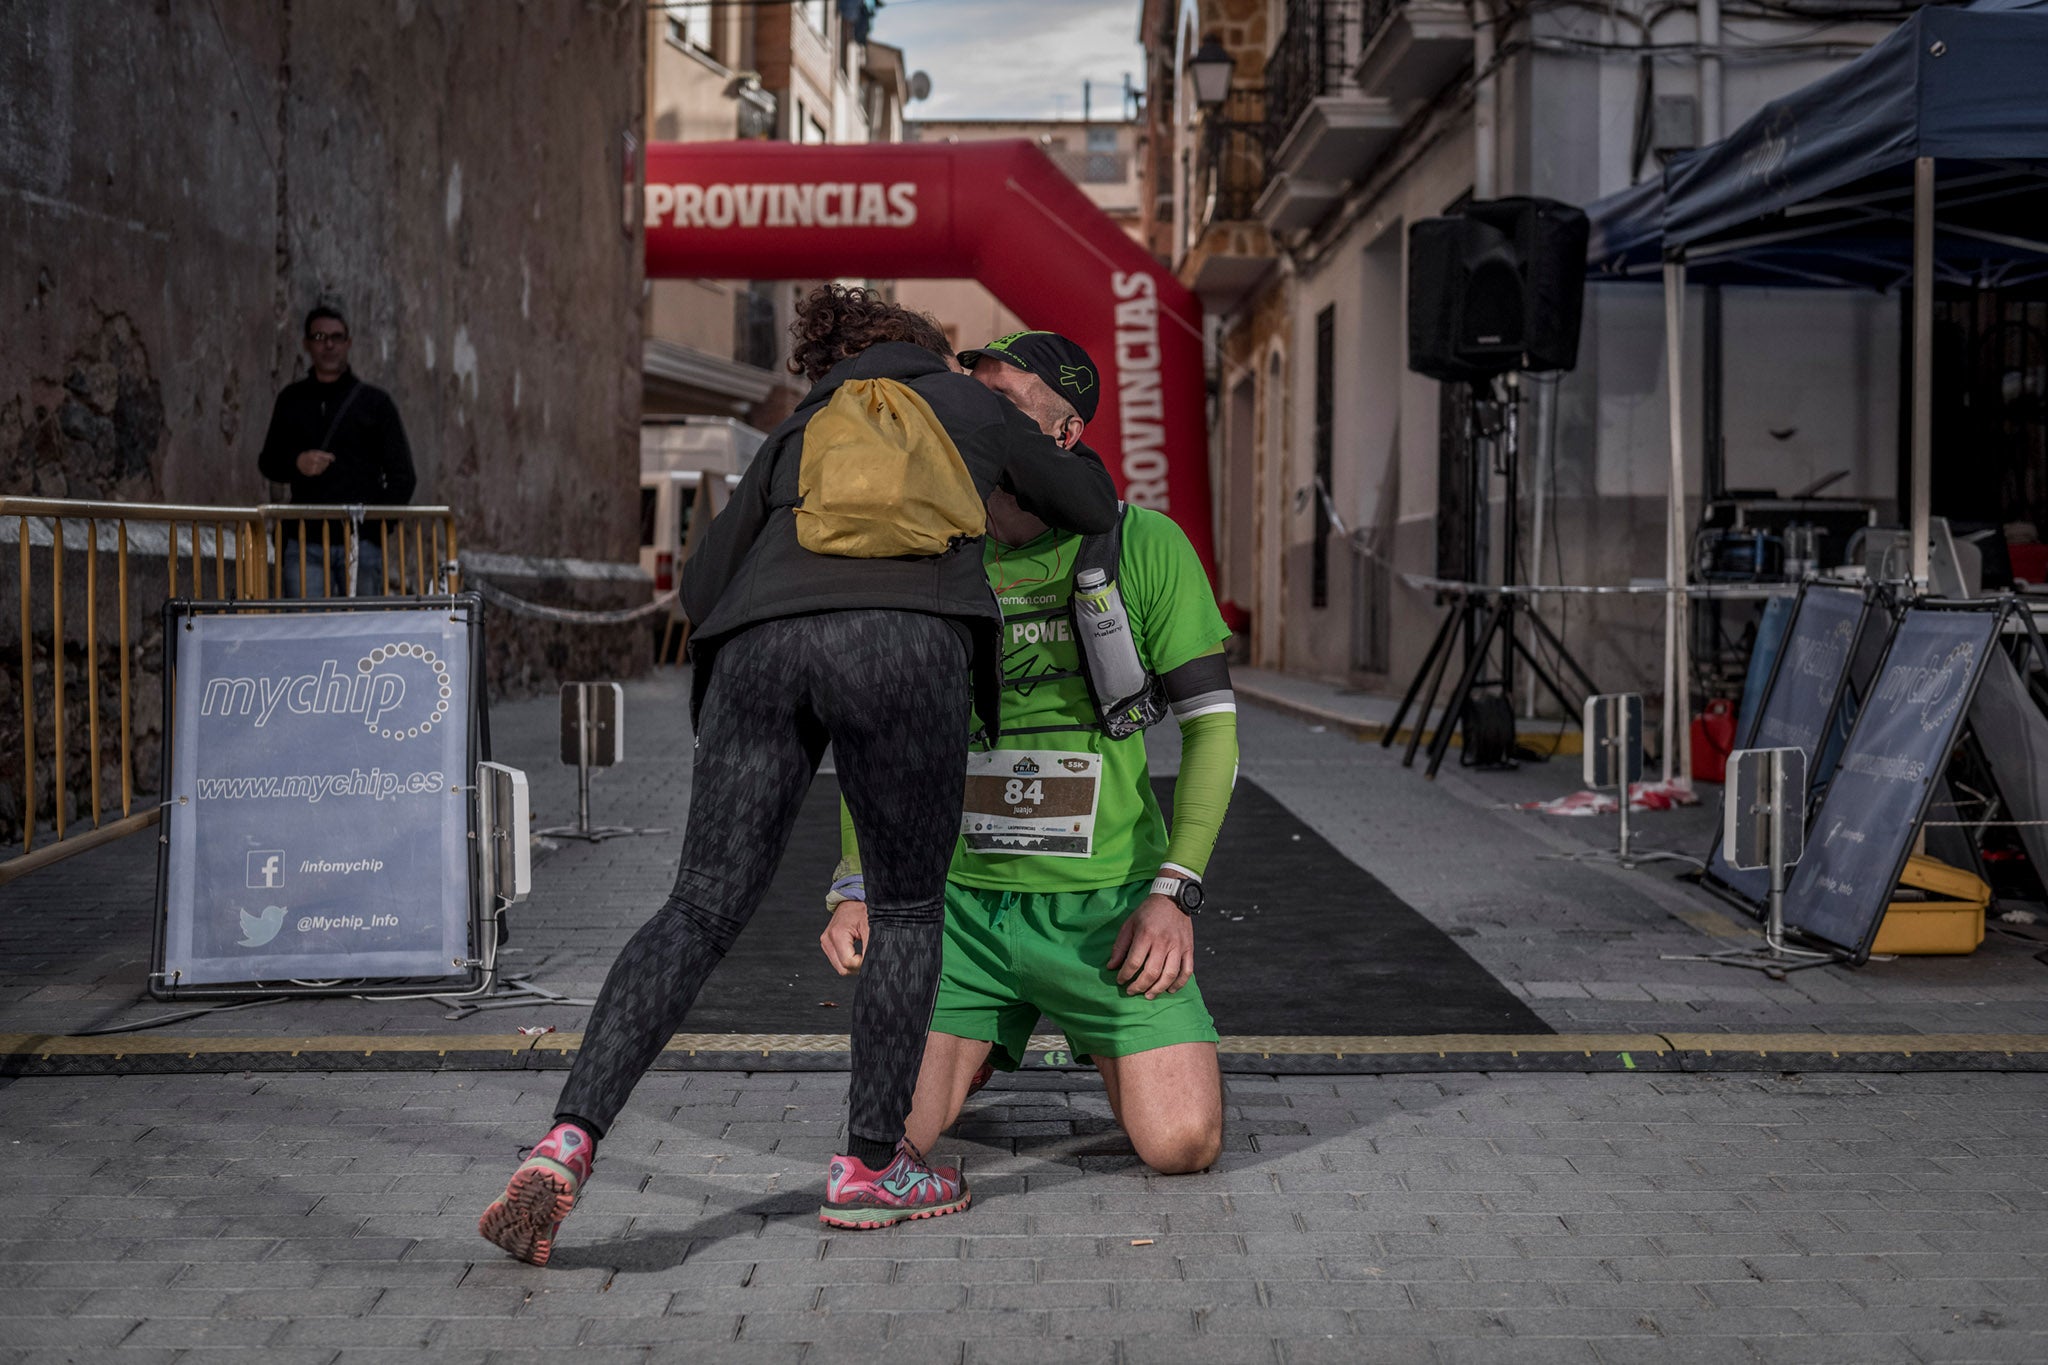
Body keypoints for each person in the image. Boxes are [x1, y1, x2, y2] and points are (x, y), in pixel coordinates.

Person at [478, 289, 1117, 1264]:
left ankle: (566, 1138)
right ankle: (868, 1169)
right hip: (905, 642)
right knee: (906, 909)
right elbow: (1085, 503)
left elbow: (700, 587)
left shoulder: (798, 429)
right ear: (924, 346)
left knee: (697, 907)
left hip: (760, 649)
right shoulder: (967, 402)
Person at [820, 329, 1237, 1175]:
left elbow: (1212, 726)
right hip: (962, 912)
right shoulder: (938, 547)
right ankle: (983, 1034)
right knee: (889, 1134)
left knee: (1183, 1143)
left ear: (1064, 433)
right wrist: (857, 882)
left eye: (1003, 400)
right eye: (972, 396)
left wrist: (1173, 892)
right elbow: (880, 727)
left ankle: (1097, 1032)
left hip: (1105, 913)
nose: (978, 414)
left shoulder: (1142, 544)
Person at [256, 304, 417, 597]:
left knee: (365, 632)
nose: (328, 344)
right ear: (307, 344)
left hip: (361, 544)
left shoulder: (375, 403)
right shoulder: (292, 400)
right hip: (305, 542)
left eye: (336, 337)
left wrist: (375, 527)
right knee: (307, 631)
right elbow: (268, 462)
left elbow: (403, 475)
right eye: (319, 336)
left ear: (348, 343)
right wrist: (297, 463)